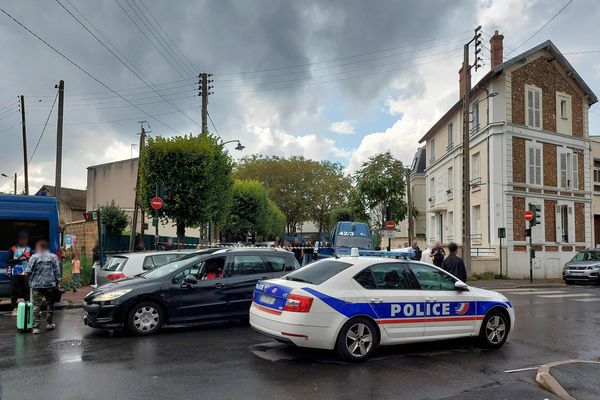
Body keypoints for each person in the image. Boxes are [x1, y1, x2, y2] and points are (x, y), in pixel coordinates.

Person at [26, 240, 61, 335]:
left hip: (36, 285)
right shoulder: (53, 257)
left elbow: (28, 271)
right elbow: (57, 271)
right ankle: (49, 323)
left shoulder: (34, 257)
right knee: (50, 304)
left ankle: (36, 328)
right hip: (50, 285)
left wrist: (29, 281)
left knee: (36, 306)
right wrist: (58, 282)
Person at [6, 231, 31, 316]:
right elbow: (8, 261)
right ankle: (14, 309)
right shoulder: (13, 248)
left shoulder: (28, 248)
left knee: (26, 290)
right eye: (22, 239)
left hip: (25, 271)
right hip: (16, 271)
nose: (24, 241)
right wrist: (19, 260)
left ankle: (28, 306)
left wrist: (28, 259)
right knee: (14, 291)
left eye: (25, 239)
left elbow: (30, 260)